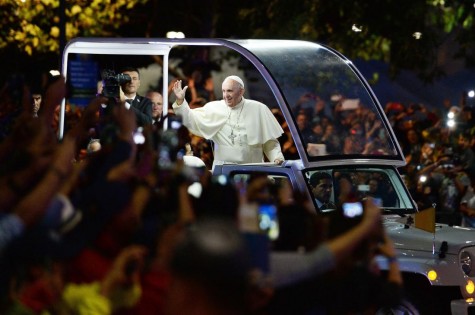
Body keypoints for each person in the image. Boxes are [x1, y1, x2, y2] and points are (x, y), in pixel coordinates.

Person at [171, 75, 285, 170]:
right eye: (224, 91)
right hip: (224, 172)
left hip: (253, 170)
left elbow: (270, 142)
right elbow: (189, 119)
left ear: (241, 91)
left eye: (229, 91)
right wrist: (181, 101)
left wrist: (277, 157)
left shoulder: (258, 109)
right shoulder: (214, 108)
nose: (226, 95)